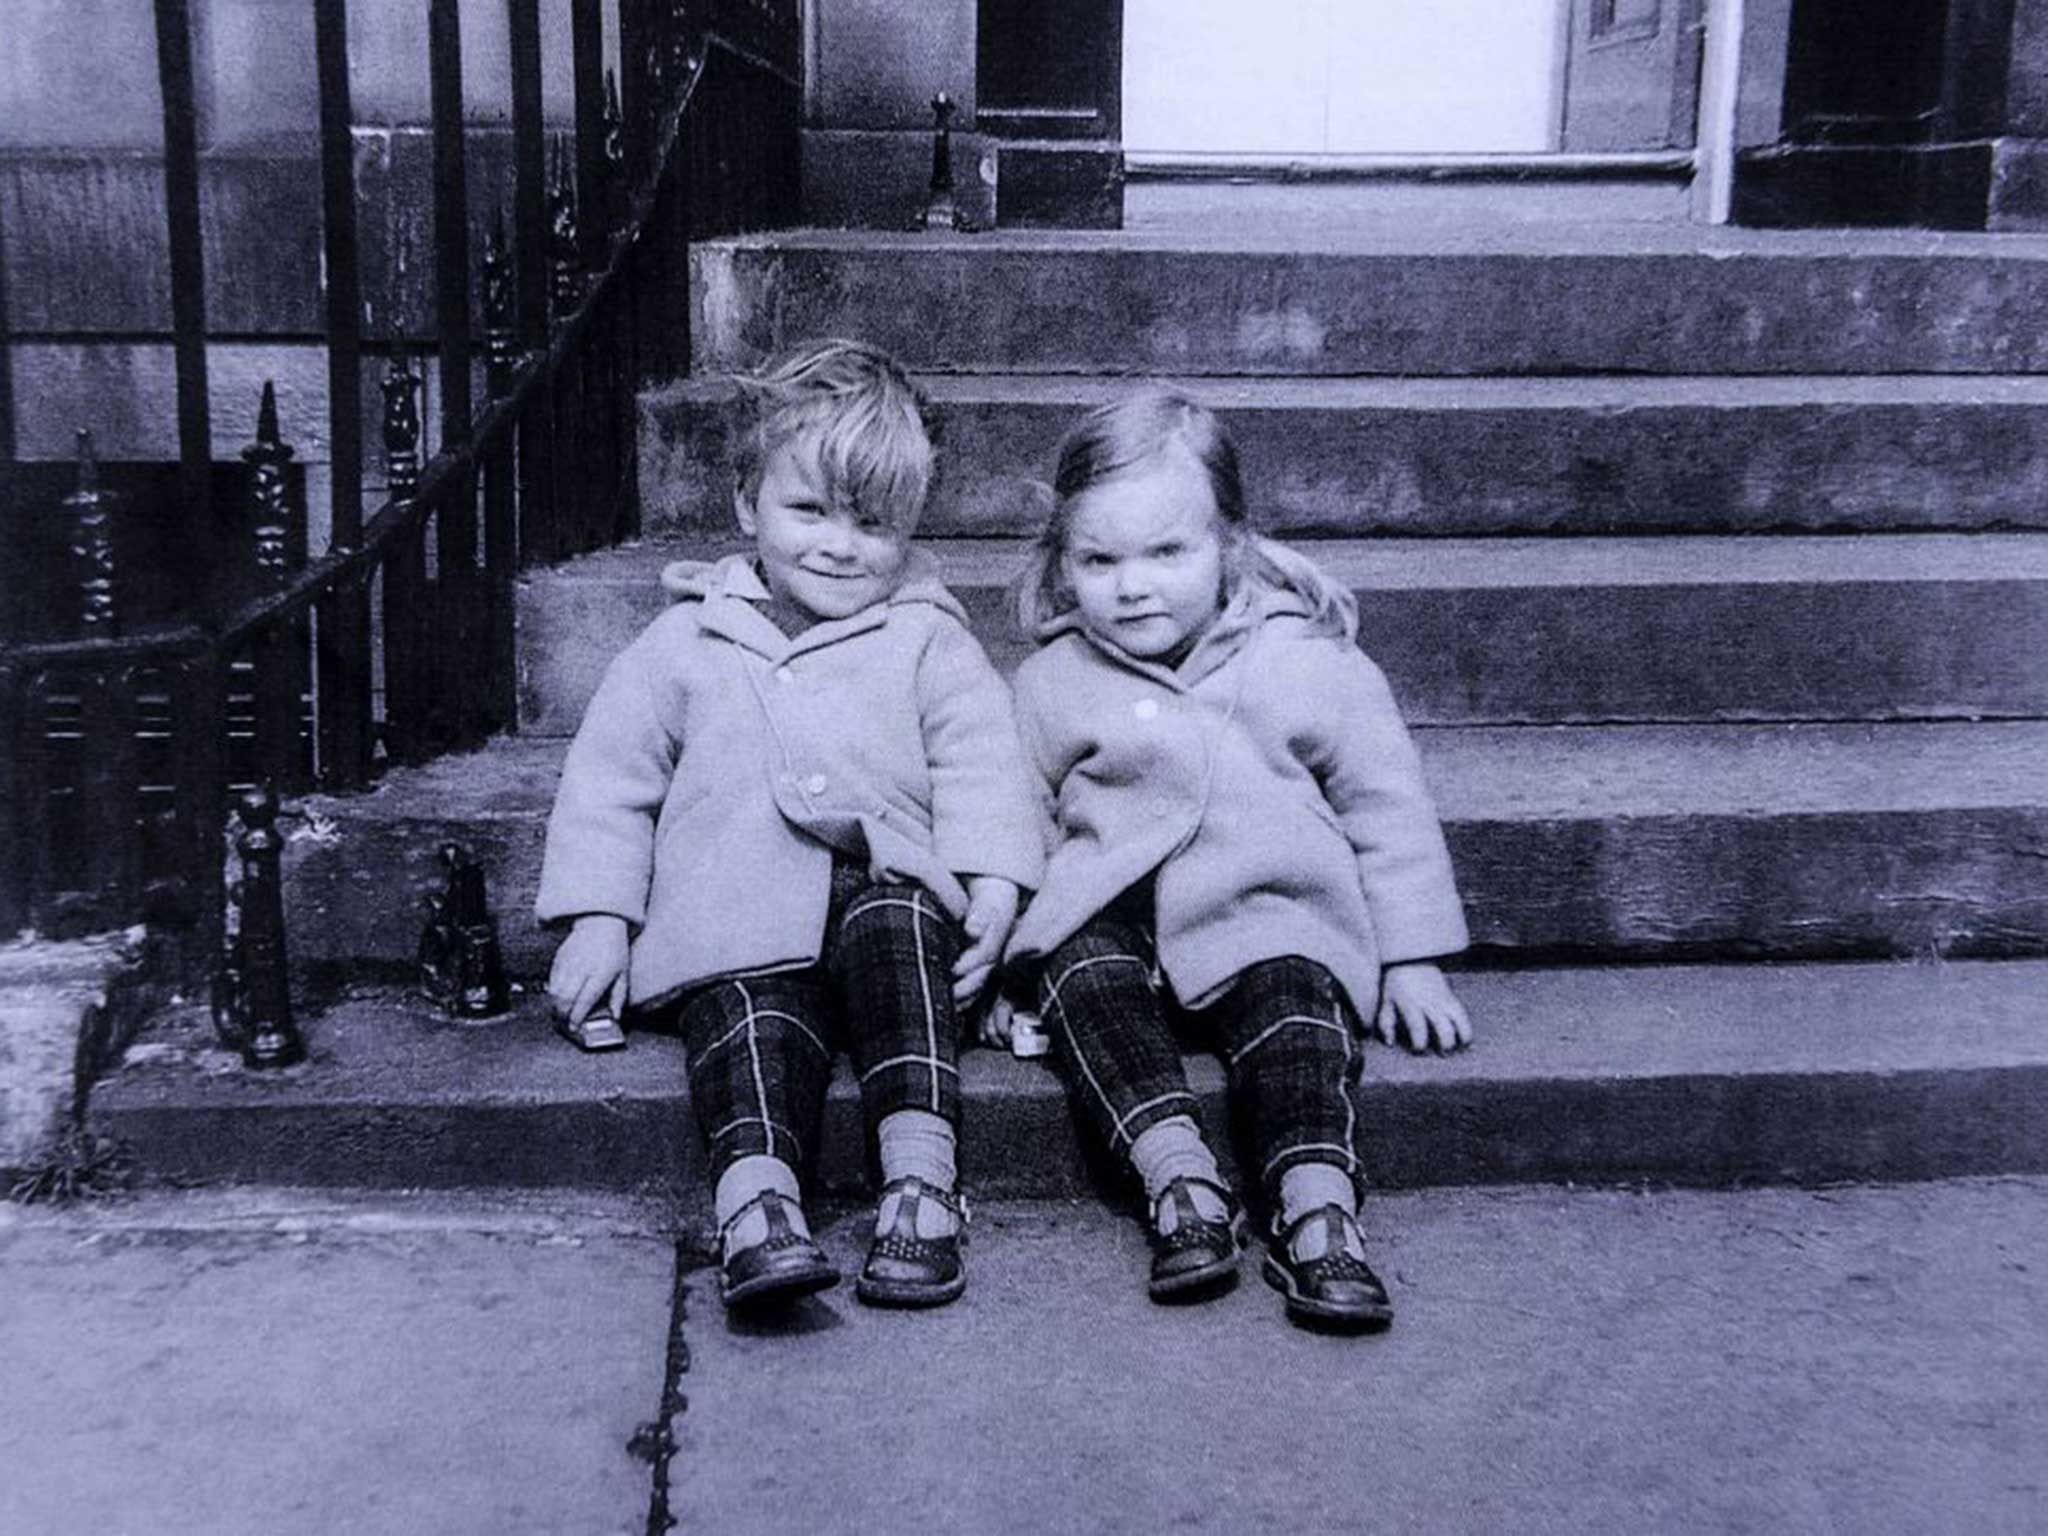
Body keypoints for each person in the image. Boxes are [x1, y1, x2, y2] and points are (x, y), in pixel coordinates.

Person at [537, 339, 1043, 1311]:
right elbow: (611, 780)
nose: (839, 545)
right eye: (807, 511)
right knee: (744, 1010)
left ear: (908, 525)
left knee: (902, 937)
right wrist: (600, 916)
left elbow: (983, 762)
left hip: (881, 887)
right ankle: (757, 1206)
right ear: (746, 507)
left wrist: (993, 882)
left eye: (872, 521)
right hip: (731, 901)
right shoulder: (685, 638)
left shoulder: (926, 636)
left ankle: (920, 1184)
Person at [1000, 389, 1472, 1331]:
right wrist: (1011, 961)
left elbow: (1386, 805)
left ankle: (1316, 1205)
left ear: (1232, 548)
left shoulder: (1306, 661)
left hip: (1266, 905)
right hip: (1115, 916)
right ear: (1061, 568)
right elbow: (1019, 823)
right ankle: (1178, 1182)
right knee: (1082, 975)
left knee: (1299, 1000)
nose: (1134, 586)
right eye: (1100, 560)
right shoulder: (1052, 681)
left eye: (1167, 553)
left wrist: (1411, 953)